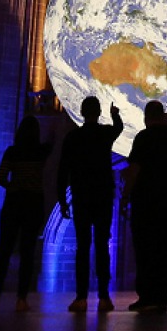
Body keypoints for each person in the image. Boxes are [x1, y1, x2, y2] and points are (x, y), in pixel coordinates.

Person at [57, 96, 124, 312]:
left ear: (82, 112)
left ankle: (81, 298)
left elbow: (63, 170)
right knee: (102, 246)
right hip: (103, 197)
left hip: (82, 197)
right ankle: (104, 297)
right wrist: (115, 115)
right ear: (98, 112)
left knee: (82, 247)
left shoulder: (73, 137)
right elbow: (118, 129)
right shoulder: (104, 133)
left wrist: (61, 199)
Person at [0, 113, 52, 312]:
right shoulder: (40, 152)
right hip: (32, 204)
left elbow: (0, 177)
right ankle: (21, 299)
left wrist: (13, 185)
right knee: (28, 252)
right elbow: (51, 144)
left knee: (4, 251)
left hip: (14, 203)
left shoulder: (12, 152)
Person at [121, 100, 167, 313]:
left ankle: (146, 296)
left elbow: (135, 168)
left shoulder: (143, 138)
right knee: (163, 248)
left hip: (145, 201)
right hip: (166, 201)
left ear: (146, 117)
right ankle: (161, 296)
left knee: (144, 249)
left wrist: (125, 195)